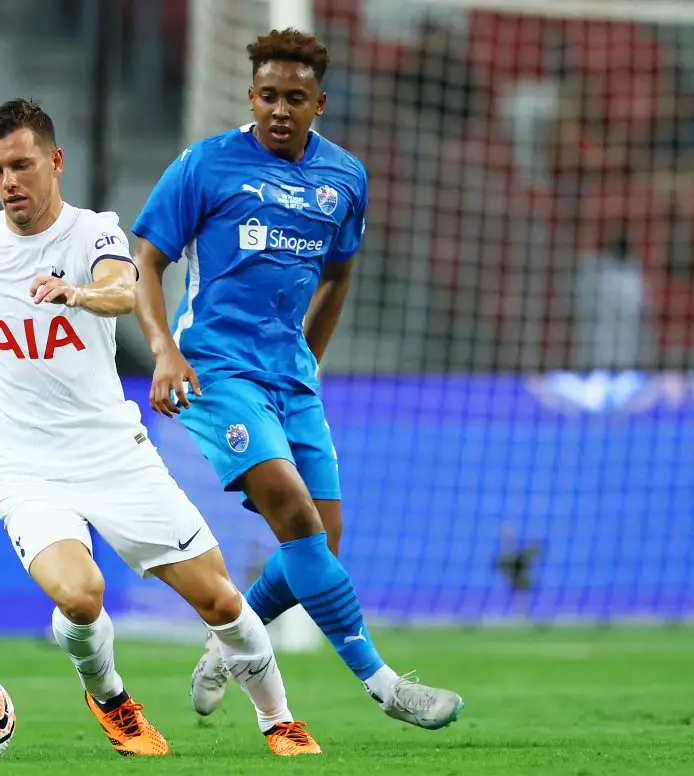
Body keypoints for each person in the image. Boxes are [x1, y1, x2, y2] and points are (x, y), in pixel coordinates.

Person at [0, 98, 321, 756]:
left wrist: (74, 293)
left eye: (21, 165)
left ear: (55, 161)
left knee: (218, 599)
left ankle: (279, 720)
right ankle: (111, 700)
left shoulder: (91, 233)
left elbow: (123, 289)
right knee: (81, 595)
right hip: (25, 467)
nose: (9, 182)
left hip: (113, 454)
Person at [131, 29, 464, 730]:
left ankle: (233, 635)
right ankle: (384, 684)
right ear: (251, 96)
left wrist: (307, 357)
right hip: (217, 368)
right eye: (267, 96)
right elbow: (146, 257)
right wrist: (163, 349)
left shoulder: (345, 177)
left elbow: (339, 272)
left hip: (291, 376)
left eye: (294, 98)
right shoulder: (206, 165)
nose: (279, 109)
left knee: (320, 542)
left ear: (320, 103)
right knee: (295, 512)